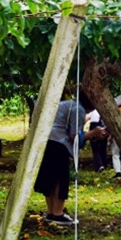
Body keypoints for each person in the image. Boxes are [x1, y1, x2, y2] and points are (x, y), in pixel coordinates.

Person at [35, 94, 106, 225]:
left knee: (50, 178)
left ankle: (51, 212)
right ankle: (58, 213)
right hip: (59, 144)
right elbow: (75, 136)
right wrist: (94, 133)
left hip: (47, 141)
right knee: (59, 180)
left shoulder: (67, 104)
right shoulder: (78, 109)